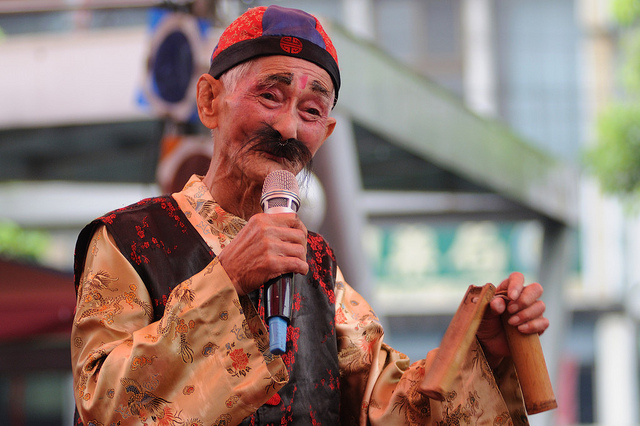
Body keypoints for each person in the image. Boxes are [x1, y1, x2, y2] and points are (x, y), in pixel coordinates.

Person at [71, 5, 549, 425]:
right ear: (210, 101)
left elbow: (386, 407)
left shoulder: (316, 264)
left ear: (329, 130)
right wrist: (227, 280)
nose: (288, 127)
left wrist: (483, 350)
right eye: (270, 97)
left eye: (312, 109)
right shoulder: (129, 241)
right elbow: (103, 404)